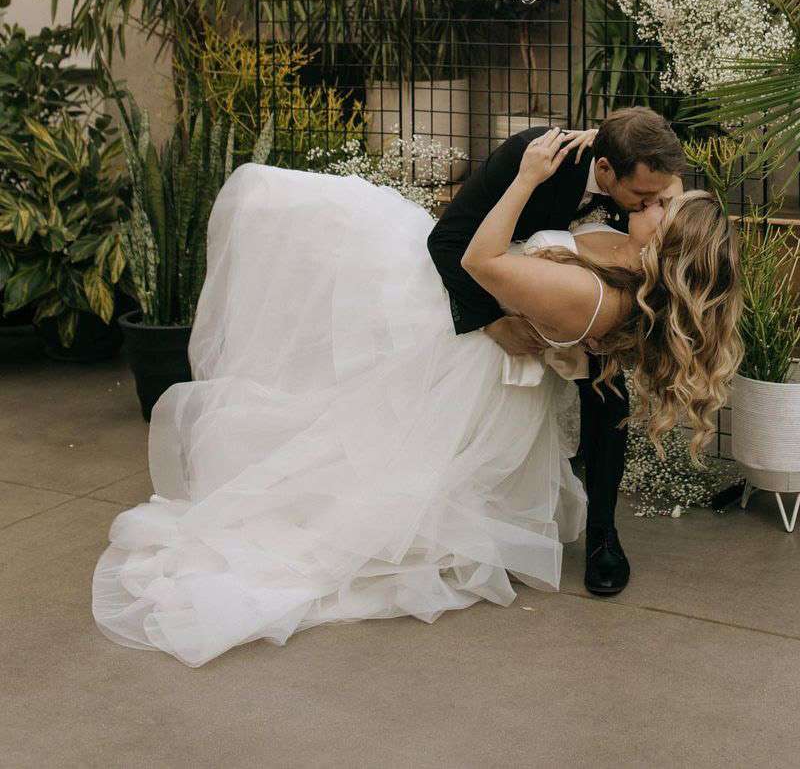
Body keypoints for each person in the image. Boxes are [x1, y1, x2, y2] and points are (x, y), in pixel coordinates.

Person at [91, 125, 742, 668]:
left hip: (466, 336)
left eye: (665, 205)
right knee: (303, 226)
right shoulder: (626, 250)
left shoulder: (596, 297)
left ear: (666, 245)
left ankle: (601, 537)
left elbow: (481, 263)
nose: (655, 198)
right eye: (657, 193)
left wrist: (525, 178)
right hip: (470, 313)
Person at [428, 106, 688, 596]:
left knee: (610, 397)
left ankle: (602, 535)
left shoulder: (643, 173)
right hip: (500, 290)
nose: (654, 205)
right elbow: (445, 241)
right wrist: (491, 321)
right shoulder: (531, 156)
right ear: (606, 170)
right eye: (644, 196)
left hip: (585, 298)